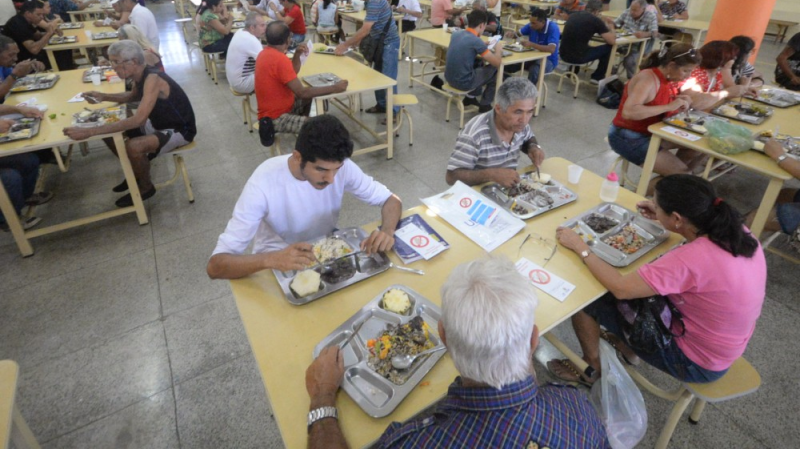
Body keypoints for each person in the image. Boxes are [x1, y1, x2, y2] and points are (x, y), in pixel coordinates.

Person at [304, 256, 609, 449]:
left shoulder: (415, 442)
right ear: (533, 340)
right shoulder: (577, 406)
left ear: (443, 337)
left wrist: (322, 397)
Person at [550, 175, 766, 387]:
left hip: (695, 362)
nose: (652, 205)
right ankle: (629, 350)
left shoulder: (691, 259)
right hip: (724, 346)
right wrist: (665, 218)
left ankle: (590, 367)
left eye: (657, 204)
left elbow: (620, 289)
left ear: (678, 218)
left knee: (587, 297)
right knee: (647, 285)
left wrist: (581, 247)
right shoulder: (735, 230)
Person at [207, 114, 400, 280]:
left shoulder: (342, 166)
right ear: (298, 157)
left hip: (324, 255)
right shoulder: (262, 184)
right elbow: (216, 266)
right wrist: (272, 259)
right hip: (274, 263)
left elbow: (391, 200)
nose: (331, 179)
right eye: (321, 170)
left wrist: (388, 230)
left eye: (336, 169)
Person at [63, 40, 196, 208]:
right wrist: (103, 96)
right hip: (157, 123)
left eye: (115, 62)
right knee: (110, 131)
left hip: (179, 130)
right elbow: (132, 96)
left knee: (133, 146)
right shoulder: (139, 74)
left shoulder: (152, 78)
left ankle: (146, 187)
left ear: (132, 62)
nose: (112, 66)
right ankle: (135, 172)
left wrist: (90, 132)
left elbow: (139, 120)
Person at [608, 44, 700, 181]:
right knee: (684, 176)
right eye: (686, 71)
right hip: (628, 136)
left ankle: (666, 178)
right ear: (671, 65)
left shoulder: (668, 78)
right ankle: (643, 194)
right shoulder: (648, 79)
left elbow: (657, 101)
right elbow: (629, 112)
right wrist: (669, 106)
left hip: (650, 132)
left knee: (696, 148)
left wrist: (678, 101)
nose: (688, 76)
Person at [446, 77, 545, 187]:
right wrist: (491, 174)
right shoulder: (474, 134)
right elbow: (452, 177)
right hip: (477, 194)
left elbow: (528, 137)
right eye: (518, 112)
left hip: (505, 189)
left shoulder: (519, 125)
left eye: (530, 111)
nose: (525, 119)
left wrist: (533, 146)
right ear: (498, 109)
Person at [255, 21, 347, 133]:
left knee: (310, 96)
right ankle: (306, 132)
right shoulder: (280, 59)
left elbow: (291, 73)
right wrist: (335, 88)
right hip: (275, 118)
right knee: (324, 125)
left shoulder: (264, 53)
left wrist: (297, 55)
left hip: (272, 110)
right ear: (288, 40)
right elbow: (302, 92)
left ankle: (303, 128)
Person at [335, 0, 399, 118]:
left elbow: (365, 29)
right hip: (379, 42)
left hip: (389, 43)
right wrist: (355, 41)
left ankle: (393, 112)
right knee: (377, 75)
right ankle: (382, 105)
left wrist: (345, 45)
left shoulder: (374, 0)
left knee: (388, 78)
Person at [444, 10, 504, 111]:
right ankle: (485, 104)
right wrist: (498, 49)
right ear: (481, 25)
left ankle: (470, 98)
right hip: (464, 82)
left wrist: (481, 46)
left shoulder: (456, 34)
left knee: (478, 63)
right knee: (496, 71)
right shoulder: (476, 41)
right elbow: (497, 62)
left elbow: (466, 49)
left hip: (449, 78)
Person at [682, 41, 756, 107]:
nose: (734, 61)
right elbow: (693, 103)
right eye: (732, 58)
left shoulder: (716, 73)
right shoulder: (697, 74)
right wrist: (726, 93)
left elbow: (729, 89)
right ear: (720, 59)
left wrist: (743, 89)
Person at [559, 0, 616, 85]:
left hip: (563, 54)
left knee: (579, 43)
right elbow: (611, 41)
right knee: (609, 48)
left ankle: (572, 70)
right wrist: (611, 27)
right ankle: (597, 77)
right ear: (597, 11)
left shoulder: (573, 15)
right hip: (578, 57)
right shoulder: (596, 21)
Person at [2, 0, 64, 70]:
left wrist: (52, 32)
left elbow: (38, 36)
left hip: (27, 53)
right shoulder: (18, 24)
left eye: (42, 14)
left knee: (62, 49)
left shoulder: (26, 20)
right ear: (28, 13)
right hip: (19, 59)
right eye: (38, 14)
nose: (42, 17)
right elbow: (34, 49)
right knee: (60, 53)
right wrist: (48, 34)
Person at [511, 7, 560, 85]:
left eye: (534, 23)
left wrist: (532, 44)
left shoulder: (553, 28)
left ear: (543, 22)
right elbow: (517, 34)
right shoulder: (532, 24)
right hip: (532, 57)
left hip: (548, 60)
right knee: (511, 63)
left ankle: (529, 93)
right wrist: (512, 34)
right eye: (530, 22)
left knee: (534, 69)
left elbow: (551, 49)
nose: (531, 25)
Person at [615, 0, 658, 78]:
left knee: (629, 61)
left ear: (643, 9)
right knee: (606, 51)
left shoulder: (650, 16)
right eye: (631, 9)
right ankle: (606, 76)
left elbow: (654, 33)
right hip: (623, 42)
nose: (632, 12)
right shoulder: (627, 12)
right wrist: (611, 24)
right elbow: (616, 23)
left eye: (635, 10)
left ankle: (632, 80)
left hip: (638, 45)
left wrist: (644, 34)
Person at [226, 11, 266, 94]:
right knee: (274, 75)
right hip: (242, 83)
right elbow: (265, 62)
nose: (265, 28)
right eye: (262, 25)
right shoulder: (251, 40)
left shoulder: (240, 31)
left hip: (233, 79)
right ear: (252, 28)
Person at [0, 34, 45, 102]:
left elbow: (13, 79)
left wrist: (30, 66)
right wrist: (15, 75)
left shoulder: (3, 65)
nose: (16, 58)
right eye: (11, 55)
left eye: (16, 54)